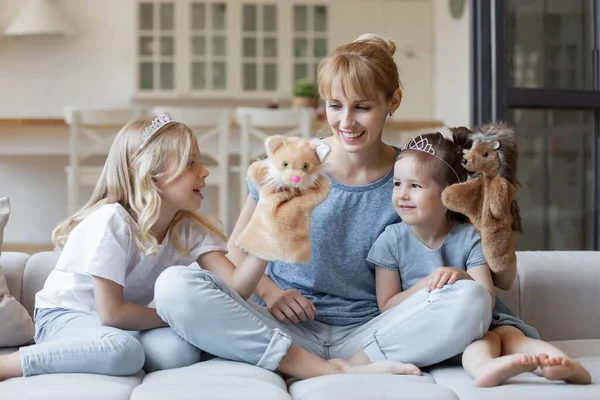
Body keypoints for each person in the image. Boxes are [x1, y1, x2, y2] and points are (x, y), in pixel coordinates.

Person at [153, 34, 493, 380]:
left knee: (472, 298)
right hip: (281, 329)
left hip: (372, 333)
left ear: (394, 101)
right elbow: (236, 260)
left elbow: (449, 255)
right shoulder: (291, 165)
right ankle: (322, 369)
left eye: (362, 107)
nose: (346, 122)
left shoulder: (412, 177)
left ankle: (352, 366)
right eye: (334, 105)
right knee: (173, 287)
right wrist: (270, 293)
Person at [0, 114, 268, 381]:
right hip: (66, 316)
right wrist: (181, 314)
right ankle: (8, 365)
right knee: (123, 351)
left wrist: (272, 233)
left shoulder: (187, 228)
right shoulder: (112, 221)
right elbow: (112, 313)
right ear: (150, 172)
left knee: (179, 353)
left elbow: (237, 288)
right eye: (190, 163)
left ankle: (104, 353)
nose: (204, 171)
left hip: (117, 324)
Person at [370, 131, 591, 387]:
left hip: (485, 321)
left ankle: (561, 365)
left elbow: (486, 299)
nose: (402, 194)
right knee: (484, 341)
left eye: (415, 186)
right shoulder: (390, 240)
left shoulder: (468, 237)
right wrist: (426, 284)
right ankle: (487, 366)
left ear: (449, 194)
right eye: (397, 184)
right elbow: (386, 305)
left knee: (509, 335)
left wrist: (463, 276)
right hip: (431, 329)